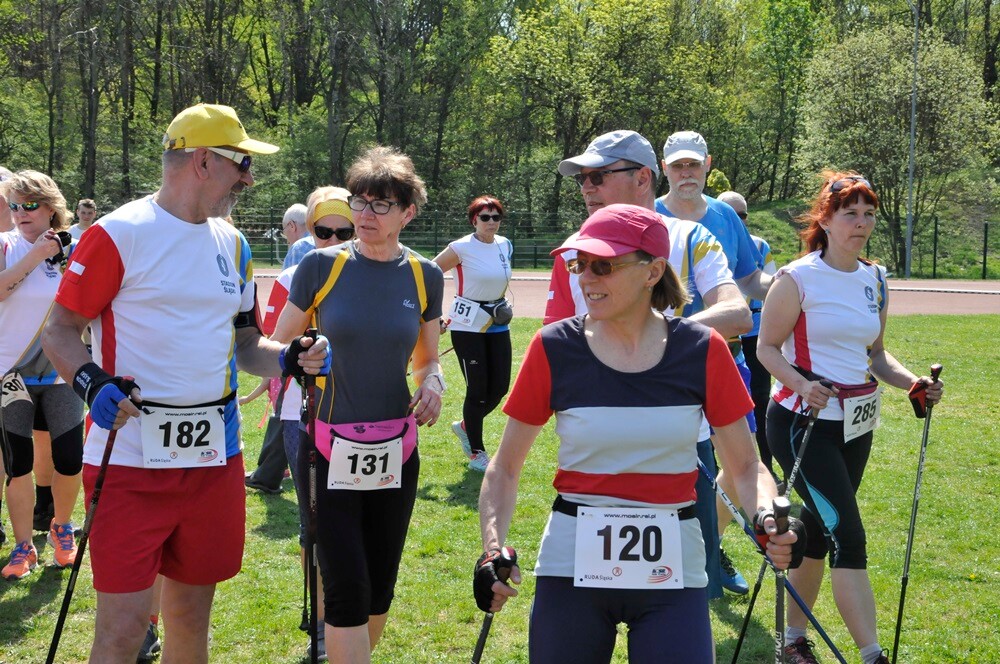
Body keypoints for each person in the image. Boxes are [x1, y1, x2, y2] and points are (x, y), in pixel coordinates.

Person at [40, 103, 330, 663]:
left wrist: (291, 357)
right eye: (242, 162)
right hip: (128, 462)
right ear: (202, 160)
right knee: (123, 631)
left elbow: (249, 347)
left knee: (191, 617)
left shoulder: (234, 244)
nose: (249, 177)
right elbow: (59, 331)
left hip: (212, 460)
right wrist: (90, 382)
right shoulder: (118, 233)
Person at [476, 204, 799, 663]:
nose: (586, 278)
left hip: (675, 568)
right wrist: (491, 549)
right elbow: (505, 468)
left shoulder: (702, 350)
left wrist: (766, 515)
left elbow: (746, 466)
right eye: (579, 264)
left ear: (653, 271)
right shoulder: (553, 348)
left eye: (603, 266)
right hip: (571, 566)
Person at [544, 129, 751, 600]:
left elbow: (737, 312)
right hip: (594, 450)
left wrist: (663, 343)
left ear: (642, 178)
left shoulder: (689, 235)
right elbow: (556, 345)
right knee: (589, 604)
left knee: (686, 598)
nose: (586, 188)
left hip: (682, 444)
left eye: (597, 176)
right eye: (582, 180)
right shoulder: (571, 249)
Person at [757, 172, 944, 664]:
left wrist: (913, 384)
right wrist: (803, 385)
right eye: (849, 214)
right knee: (849, 535)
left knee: (818, 533)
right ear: (826, 218)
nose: (860, 224)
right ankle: (872, 655)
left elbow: (876, 355)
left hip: (856, 423)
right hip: (803, 424)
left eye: (868, 215)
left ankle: (792, 641)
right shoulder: (796, 278)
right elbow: (767, 348)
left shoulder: (875, 278)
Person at [271, 146, 444, 664]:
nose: (364, 216)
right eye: (359, 202)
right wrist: (300, 355)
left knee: (379, 586)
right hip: (326, 446)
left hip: (396, 447)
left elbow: (428, 357)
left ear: (408, 212)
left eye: (380, 205)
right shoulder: (319, 266)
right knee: (345, 583)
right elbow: (277, 349)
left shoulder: (424, 276)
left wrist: (433, 383)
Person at [1, 170, 83, 579]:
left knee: (69, 458)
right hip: (10, 373)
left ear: (52, 208)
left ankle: (61, 527)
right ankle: (22, 546)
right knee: (19, 463)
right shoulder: (5, 245)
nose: (19, 213)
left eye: (29, 205)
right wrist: (33, 258)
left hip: (60, 372)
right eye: (14, 205)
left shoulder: (77, 246)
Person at [433, 196, 513, 473]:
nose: (491, 222)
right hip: (467, 326)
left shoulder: (505, 245)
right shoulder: (460, 247)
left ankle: (466, 426)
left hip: (498, 323)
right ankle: (477, 451)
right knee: (477, 389)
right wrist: (435, 317)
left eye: (496, 217)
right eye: (485, 217)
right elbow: (430, 274)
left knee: (500, 386)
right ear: (473, 220)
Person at [718, 191, 777, 479]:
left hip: (753, 334)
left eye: (743, 214)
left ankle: (766, 467)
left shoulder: (759, 245)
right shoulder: (706, 243)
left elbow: (770, 286)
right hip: (719, 338)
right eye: (731, 213)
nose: (738, 220)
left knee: (760, 400)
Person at [283, 202, 314, 269]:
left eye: (284, 230)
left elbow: (289, 278)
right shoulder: (324, 240)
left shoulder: (299, 248)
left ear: (292, 226)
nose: (287, 239)